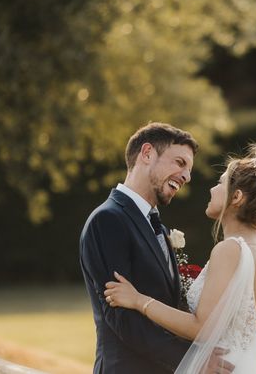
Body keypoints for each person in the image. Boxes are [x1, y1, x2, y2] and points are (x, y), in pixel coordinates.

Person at [104, 141, 256, 374]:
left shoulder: (230, 250)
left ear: (236, 197)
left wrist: (139, 301)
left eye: (220, 183)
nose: (212, 190)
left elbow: (202, 327)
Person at [80, 122, 199, 373]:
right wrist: (194, 361)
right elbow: (122, 318)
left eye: (189, 169)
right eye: (180, 163)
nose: (187, 176)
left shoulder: (159, 228)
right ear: (147, 154)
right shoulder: (108, 219)